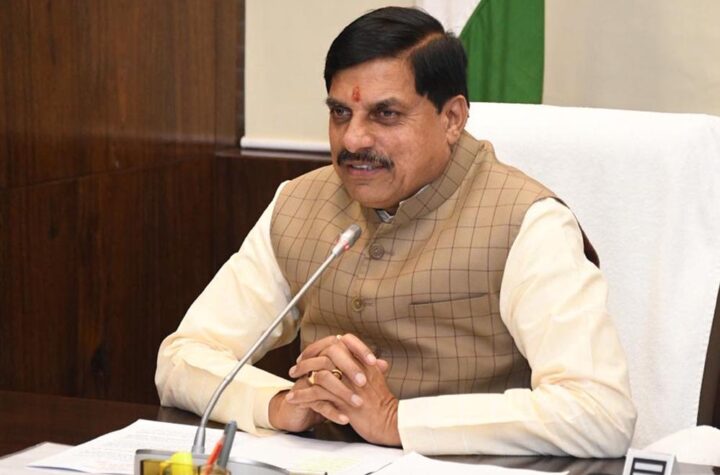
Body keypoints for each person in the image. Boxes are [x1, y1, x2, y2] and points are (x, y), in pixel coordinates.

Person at [156, 6, 636, 456]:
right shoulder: (298, 202)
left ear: (452, 118)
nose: (353, 139)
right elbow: (182, 357)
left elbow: (600, 412)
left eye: (385, 114)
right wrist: (280, 404)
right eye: (340, 113)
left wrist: (396, 420)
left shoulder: (526, 221)